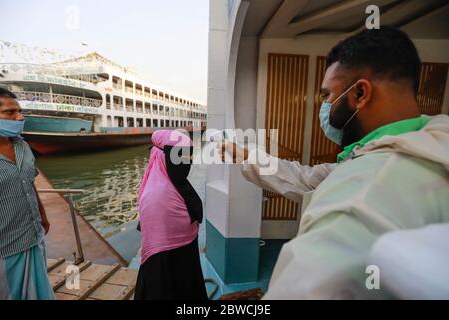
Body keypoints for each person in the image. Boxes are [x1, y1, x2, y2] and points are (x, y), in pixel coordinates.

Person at [222, 26, 449, 299]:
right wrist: (247, 156)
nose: (326, 105)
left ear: (360, 94)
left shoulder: (358, 202)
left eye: (328, 95)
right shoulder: (430, 141)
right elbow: (307, 179)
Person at [135, 130, 207, 300]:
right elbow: (158, 255)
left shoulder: (177, 183)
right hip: (163, 268)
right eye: (180, 157)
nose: (187, 162)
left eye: (189, 157)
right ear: (165, 157)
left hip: (185, 264)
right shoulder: (156, 196)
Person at [0, 87, 54, 300]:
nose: (19, 117)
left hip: (33, 236)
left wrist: (43, 215)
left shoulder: (23, 146)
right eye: (10, 112)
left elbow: (28, 183)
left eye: (19, 111)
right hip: (4, 249)